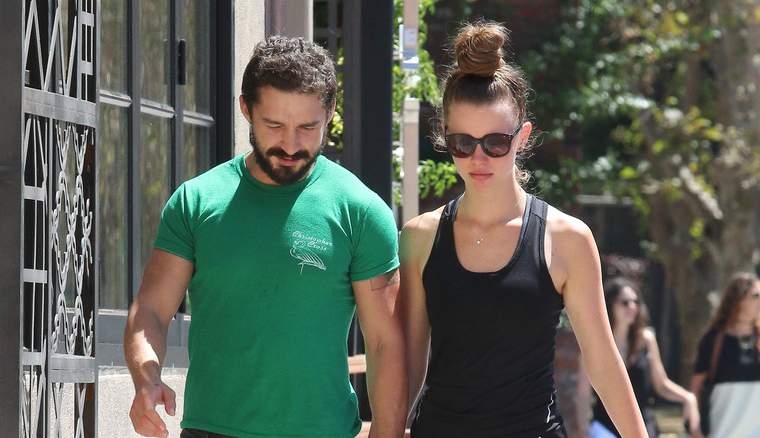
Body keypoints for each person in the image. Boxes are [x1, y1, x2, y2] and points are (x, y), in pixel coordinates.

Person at [124, 35, 407, 438]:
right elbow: (150, 310)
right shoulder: (197, 201)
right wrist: (146, 379)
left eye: (308, 127)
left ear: (329, 114)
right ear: (246, 109)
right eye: (274, 125)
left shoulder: (361, 210)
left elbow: (385, 343)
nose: (290, 145)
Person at [398, 20, 648, 438]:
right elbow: (408, 367)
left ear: (522, 137)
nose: (479, 158)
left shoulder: (566, 238)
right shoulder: (420, 237)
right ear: (445, 136)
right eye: (463, 142)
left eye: (495, 142)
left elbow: (604, 364)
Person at [576, 277, 700, 437]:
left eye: (636, 302)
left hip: (642, 428)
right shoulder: (595, 345)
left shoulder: (646, 340)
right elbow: (583, 395)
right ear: (609, 305)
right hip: (606, 429)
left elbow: (661, 385)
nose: (632, 307)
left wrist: (688, 398)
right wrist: (584, 431)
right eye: (625, 302)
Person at [689, 272, 760, 438]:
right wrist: (695, 429)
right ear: (738, 300)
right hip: (721, 433)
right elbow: (696, 388)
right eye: (756, 295)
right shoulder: (714, 340)